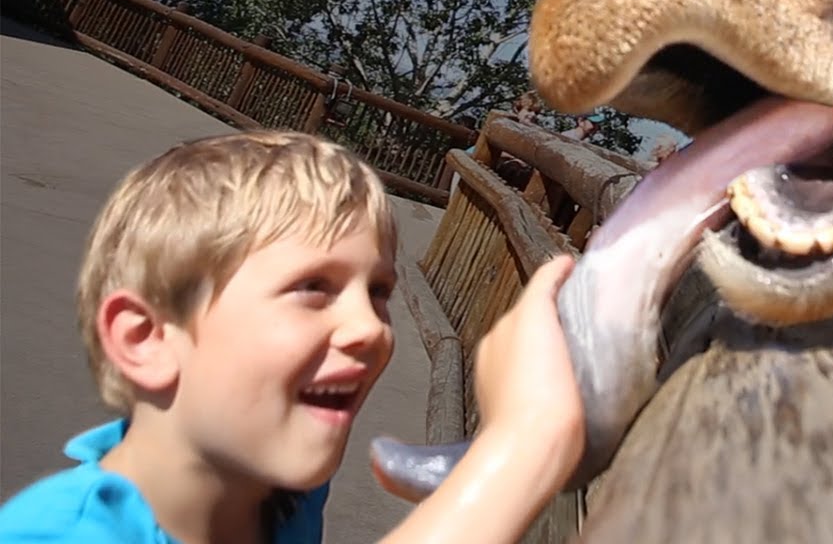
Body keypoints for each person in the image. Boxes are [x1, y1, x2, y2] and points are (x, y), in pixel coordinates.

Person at [0, 130, 584, 544]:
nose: (372, 329)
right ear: (147, 338)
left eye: (378, 291)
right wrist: (525, 444)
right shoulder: (58, 533)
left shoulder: (284, 489)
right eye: (312, 287)